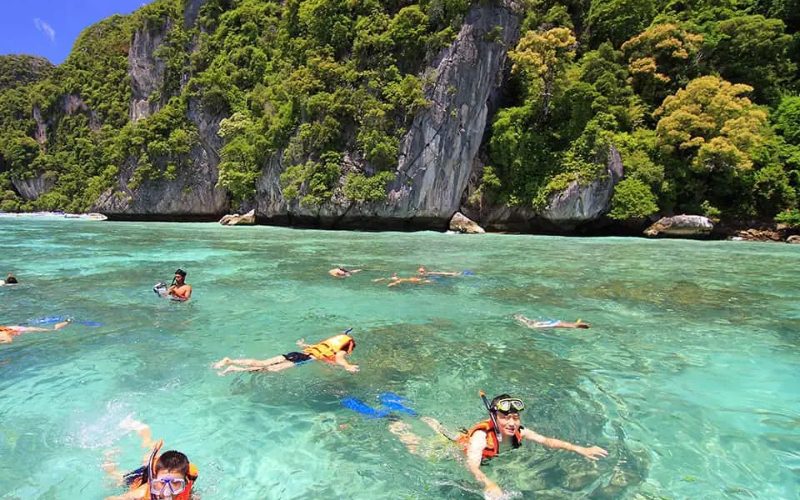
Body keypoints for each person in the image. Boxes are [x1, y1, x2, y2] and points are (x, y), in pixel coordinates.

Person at [390, 394, 607, 499]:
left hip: (468, 442)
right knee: (419, 450)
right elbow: (473, 466)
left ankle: (433, 422)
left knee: (450, 434)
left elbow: (548, 441)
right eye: (506, 418)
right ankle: (399, 426)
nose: (512, 423)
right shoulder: (481, 438)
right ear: (494, 419)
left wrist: (581, 449)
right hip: (459, 449)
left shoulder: (519, 432)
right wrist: (489, 483)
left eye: (515, 417)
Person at [103, 416, 198, 500]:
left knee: (148, 459)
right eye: (162, 483)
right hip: (138, 479)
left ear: (185, 482)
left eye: (175, 483)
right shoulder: (141, 494)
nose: (167, 491)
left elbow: (190, 493)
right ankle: (109, 457)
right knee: (115, 479)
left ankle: (145, 435)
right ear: (154, 479)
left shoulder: (188, 480)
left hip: (159, 469)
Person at [213, 330, 358, 375]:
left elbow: (315, 349)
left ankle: (230, 361)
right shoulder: (341, 350)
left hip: (295, 353)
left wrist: (302, 344)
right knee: (269, 369)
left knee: (262, 363)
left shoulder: (325, 345)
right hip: (301, 359)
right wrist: (347, 366)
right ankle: (233, 369)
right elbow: (339, 358)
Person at [0, 319, 71, 344]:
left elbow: (9, 340)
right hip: (14, 329)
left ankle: (63, 323)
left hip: (22, 330)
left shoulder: (1, 334)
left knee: (52, 331)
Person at [514, 314, 590, 329]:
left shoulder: (574, 324)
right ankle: (521, 318)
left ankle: (521, 318)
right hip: (554, 324)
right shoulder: (574, 325)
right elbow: (563, 326)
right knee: (533, 326)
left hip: (554, 322)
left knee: (533, 323)